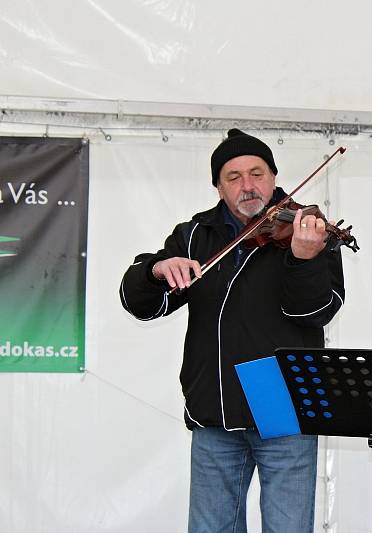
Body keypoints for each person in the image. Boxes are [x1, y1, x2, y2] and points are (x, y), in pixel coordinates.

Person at [119, 129, 345, 533]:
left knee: (288, 528)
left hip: (283, 407)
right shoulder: (194, 235)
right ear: (218, 187)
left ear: (274, 177)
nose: (248, 185)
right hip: (214, 409)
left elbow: (316, 312)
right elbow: (143, 305)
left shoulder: (308, 229)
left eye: (257, 173)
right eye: (233, 176)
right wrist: (155, 272)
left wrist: (306, 259)